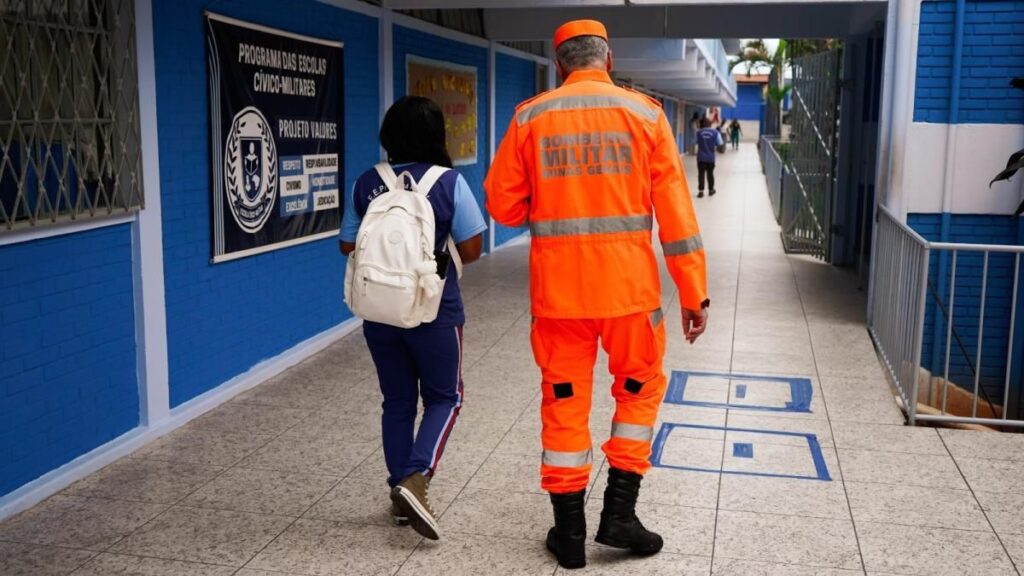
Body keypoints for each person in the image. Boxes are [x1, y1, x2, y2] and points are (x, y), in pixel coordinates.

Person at [485, 19, 709, 570]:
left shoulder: (531, 117)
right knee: (637, 392)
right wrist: (693, 294)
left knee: (564, 404)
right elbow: (678, 221)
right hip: (630, 295)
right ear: (608, 61)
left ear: (559, 65)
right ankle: (619, 516)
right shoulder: (646, 116)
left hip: (559, 298)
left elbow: (502, 206)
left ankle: (568, 536)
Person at [339, 96, 487, 541]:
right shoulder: (450, 183)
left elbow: (348, 245)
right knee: (445, 397)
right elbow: (474, 249)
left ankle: (399, 494)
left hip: (379, 312)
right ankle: (416, 479)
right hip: (435, 310)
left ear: (388, 135)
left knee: (398, 401)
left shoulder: (366, 182)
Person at [695, 117, 723, 198]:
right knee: (710, 174)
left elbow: (695, 142)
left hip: (701, 157)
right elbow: (720, 143)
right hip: (711, 157)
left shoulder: (699, 132)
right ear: (710, 124)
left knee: (701, 174)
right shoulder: (715, 132)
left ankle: (701, 191)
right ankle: (711, 190)